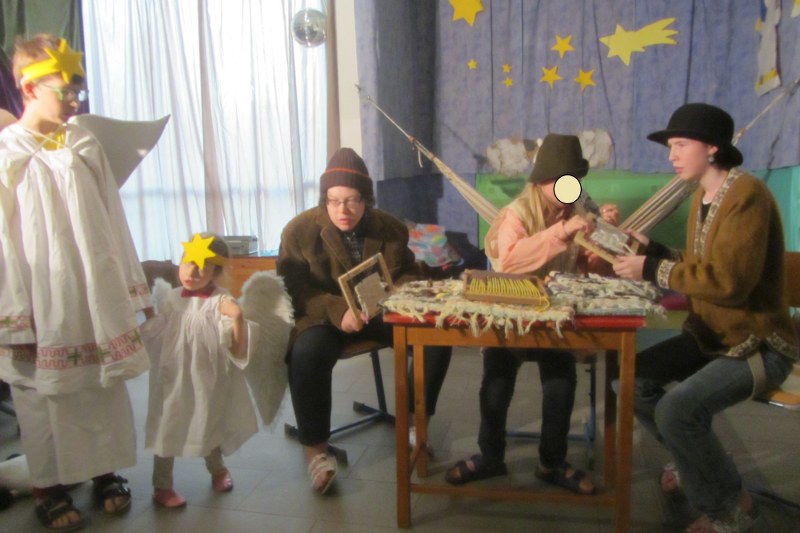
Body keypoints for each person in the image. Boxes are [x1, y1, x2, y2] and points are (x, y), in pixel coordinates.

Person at [614, 103, 797, 533]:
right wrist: (656, 251)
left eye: (681, 145)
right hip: (713, 335)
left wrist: (651, 268)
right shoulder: (704, 195)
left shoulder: (747, 195)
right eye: (671, 147)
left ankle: (730, 507)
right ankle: (698, 462)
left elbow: (728, 282)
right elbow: (701, 263)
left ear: (712, 148)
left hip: (756, 344)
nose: (672, 155)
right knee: (631, 381)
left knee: (676, 411)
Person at [0, 35, 152, 531]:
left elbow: (112, 218)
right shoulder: (7, 151)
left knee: (98, 386)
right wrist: (14, 314)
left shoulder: (83, 144)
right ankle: (48, 486)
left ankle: (103, 472)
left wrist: (132, 288)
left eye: (78, 91)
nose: (74, 101)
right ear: (29, 88)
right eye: (64, 90)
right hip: (39, 295)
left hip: (92, 293)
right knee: (41, 394)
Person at [446, 133, 615, 495]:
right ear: (541, 181)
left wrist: (605, 239)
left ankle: (550, 463)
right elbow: (509, 261)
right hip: (512, 316)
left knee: (560, 385)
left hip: (555, 319)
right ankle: (490, 457)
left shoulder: (580, 210)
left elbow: (591, 268)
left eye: (574, 179)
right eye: (561, 180)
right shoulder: (517, 213)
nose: (570, 187)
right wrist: (563, 231)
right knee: (495, 385)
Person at [278, 147, 452, 494]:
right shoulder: (298, 231)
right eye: (334, 201)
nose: (343, 210)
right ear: (324, 199)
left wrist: (396, 292)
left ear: (366, 199)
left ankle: (414, 425)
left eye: (352, 201)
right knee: (307, 353)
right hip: (324, 316)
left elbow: (405, 271)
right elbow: (294, 291)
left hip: (378, 309)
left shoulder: (389, 227)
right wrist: (338, 311)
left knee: (434, 337)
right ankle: (316, 452)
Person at [141, 233, 259, 508]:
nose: (191, 273)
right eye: (187, 263)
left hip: (206, 375)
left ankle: (218, 469)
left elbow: (237, 346)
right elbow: (156, 331)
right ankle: (162, 486)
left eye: (202, 267)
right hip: (172, 375)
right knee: (168, 422)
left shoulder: (220, 301)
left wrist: (237, 317)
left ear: (215, 272)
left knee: (207, 417)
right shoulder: (171, 299)